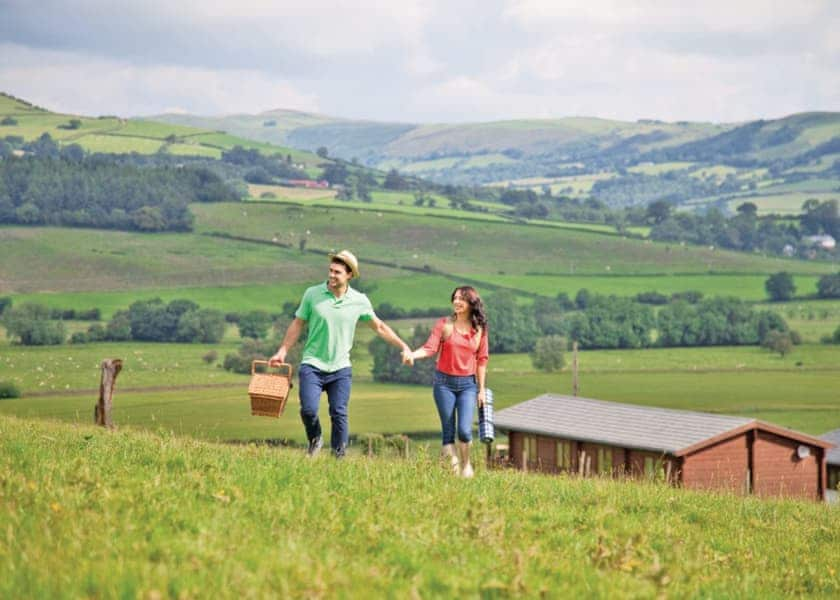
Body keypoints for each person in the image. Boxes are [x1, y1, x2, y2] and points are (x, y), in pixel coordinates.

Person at [269, 250, 412, 458]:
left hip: (340, 369)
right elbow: (298, 323)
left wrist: (403, 346)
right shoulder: (312, 294)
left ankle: (338, 456)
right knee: (308, 410)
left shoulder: (359, 300)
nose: (332, 275)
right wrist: (282, 351)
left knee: (339, 413)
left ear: (349, 275)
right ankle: (315, 438)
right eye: (331, 270)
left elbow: (379, 327)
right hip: (312, 364)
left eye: (337, 272)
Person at [404, 286, 489, 477]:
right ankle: (454, 472)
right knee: (448, 432)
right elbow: (430, 348)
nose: (457, 302)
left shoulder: (479, 330)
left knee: (465, 431)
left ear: (471, 304)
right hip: (444, 384)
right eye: (455, 298)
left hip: (468, 385)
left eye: (462, 299)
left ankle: (467, 465)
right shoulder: (444, 324)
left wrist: (481, 389)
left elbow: (482, 359)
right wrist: (412, 355)